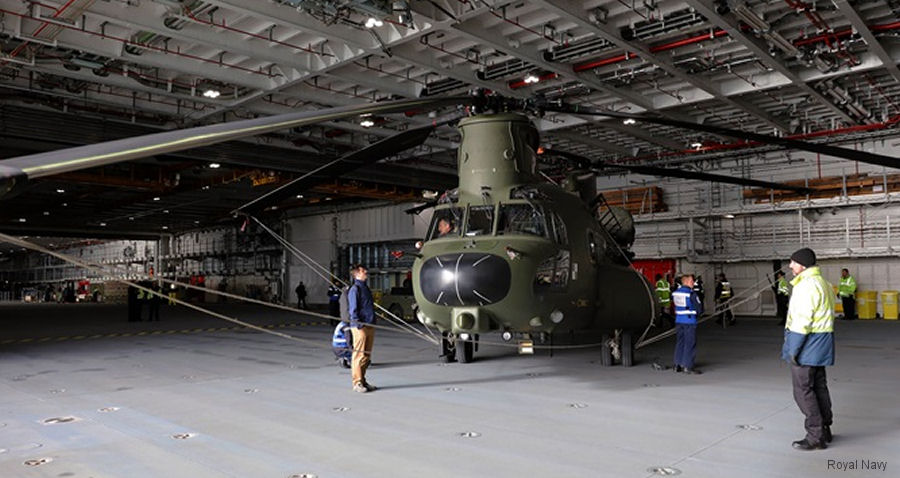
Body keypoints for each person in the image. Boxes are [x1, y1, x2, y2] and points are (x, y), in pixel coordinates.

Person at [783, 247, 835, 450]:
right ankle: (825, 429)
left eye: (793, 262)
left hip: (807, 345)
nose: (790, 265)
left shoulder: (806, 286)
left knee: (803, 391)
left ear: (802, 265)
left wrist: (793, 350)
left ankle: (815, 436)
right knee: (819, 387)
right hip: (821, 345)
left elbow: (802, 321)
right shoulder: (824, 283)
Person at [347, 264, 377, 393]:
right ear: (357, 273)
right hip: (360, 326)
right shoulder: (355, 289)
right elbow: (353, 309)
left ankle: (363, 380)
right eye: (364, 271)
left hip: (370, 324)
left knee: (366, 356)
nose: (366, 272)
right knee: (358, 355)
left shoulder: (366, 288)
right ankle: (357, 382)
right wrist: (359, 324)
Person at [672, 274, 703, 374]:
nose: (693, 283)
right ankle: (688, 366)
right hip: (689, 322)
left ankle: (677, 364)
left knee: (680, 342)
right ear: (686, 282)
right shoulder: (691, 293)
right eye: (691, 281)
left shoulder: (676, 293)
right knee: (690, 343)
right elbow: (699, 308)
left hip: (679, 321)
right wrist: (699, 313)